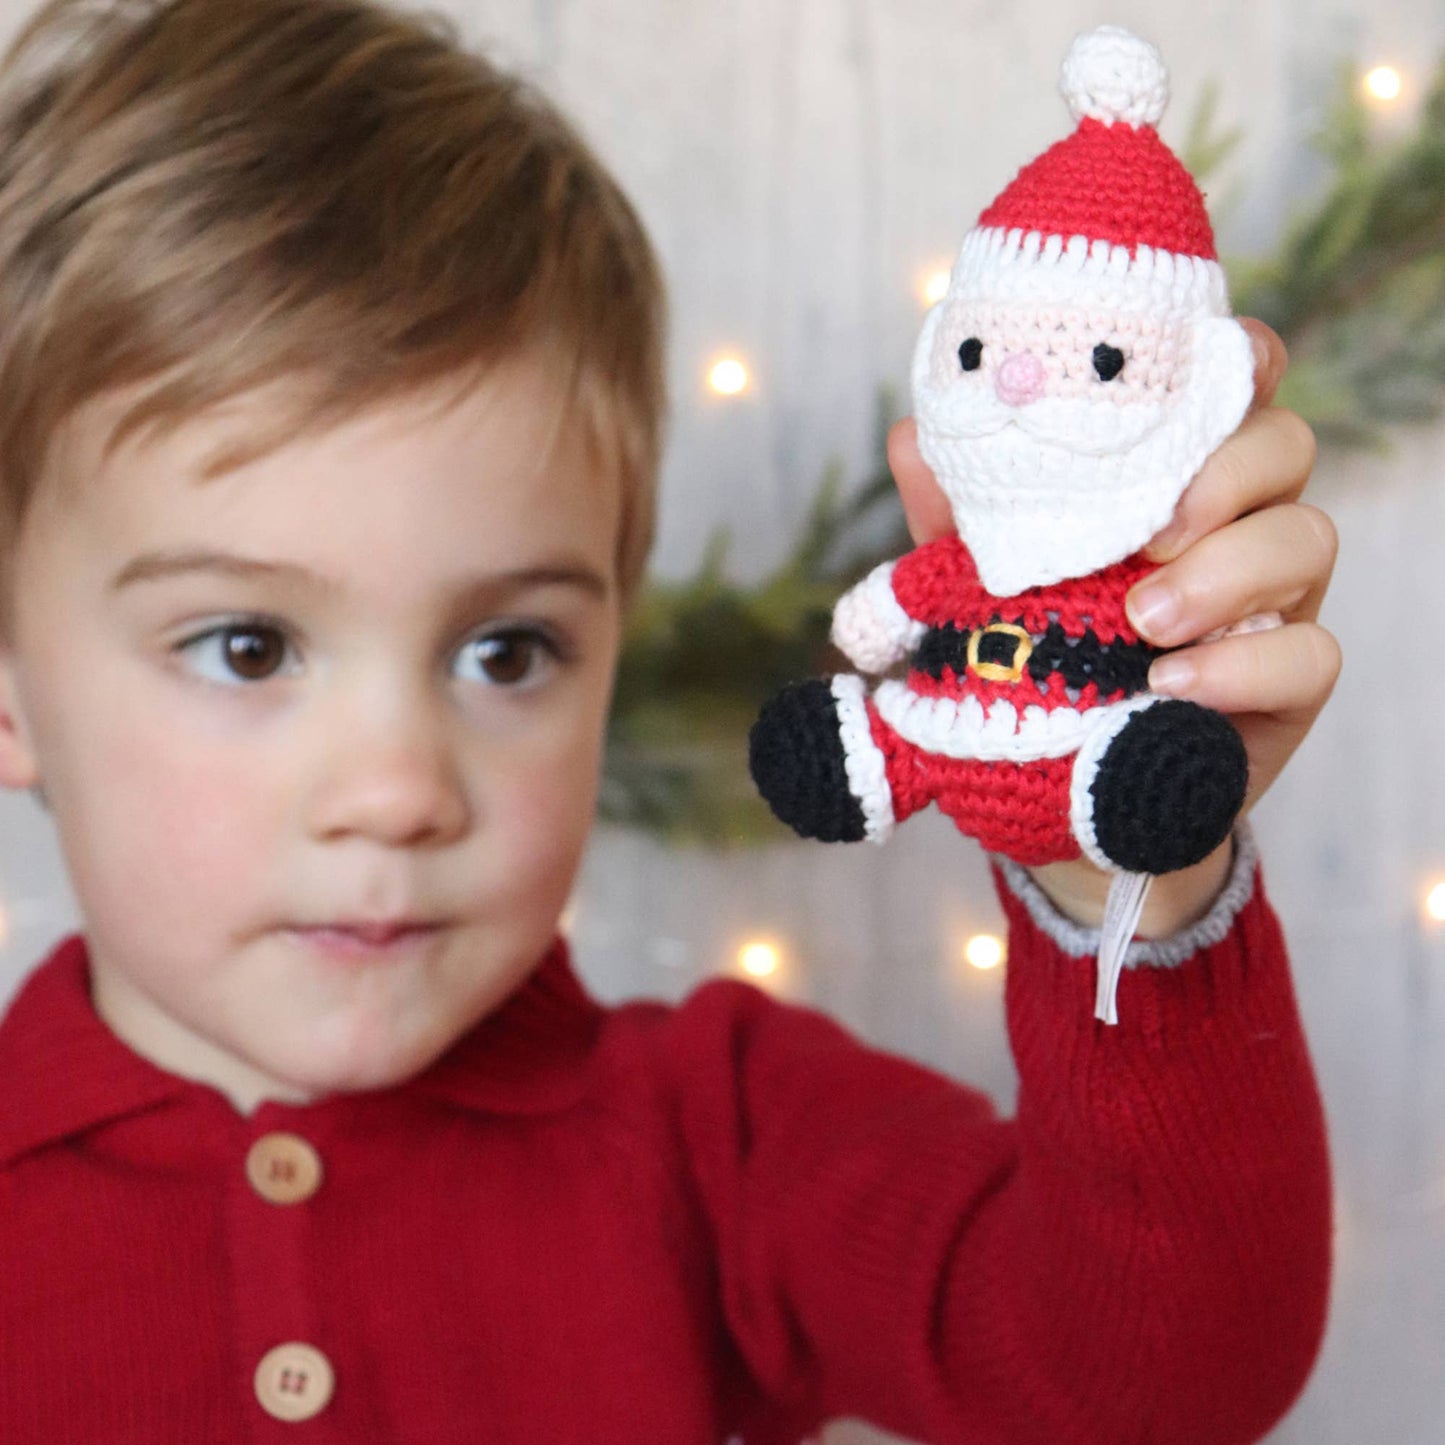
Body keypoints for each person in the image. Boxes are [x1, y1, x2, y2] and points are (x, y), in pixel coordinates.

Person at [0, 0, 1339, 1441]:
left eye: (507, 650)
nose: (396, 790)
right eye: (248, 646)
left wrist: (1119, 858)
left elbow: (1153, 1389)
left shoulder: (723, 1140)